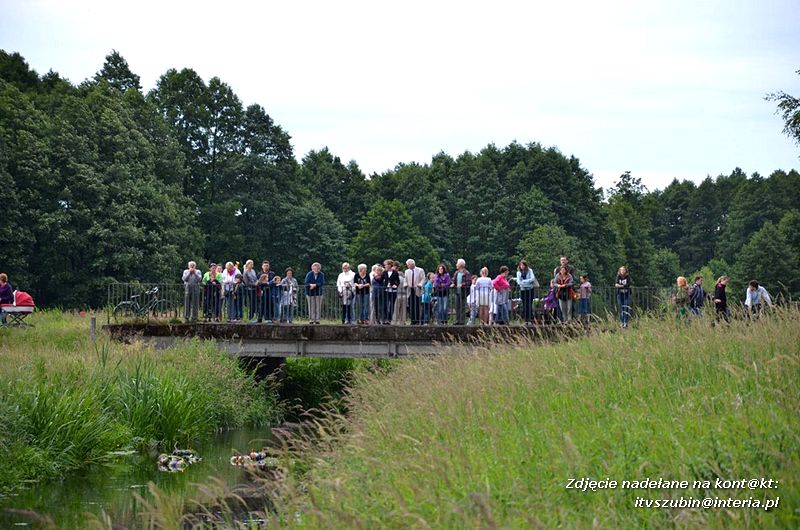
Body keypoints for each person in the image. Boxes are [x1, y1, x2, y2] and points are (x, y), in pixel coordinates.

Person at [516, 260, 538, 325]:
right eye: (521, 265)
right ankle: (526, 320)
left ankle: (530, 320)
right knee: (525, 305)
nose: (522, 266)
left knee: (529, 304)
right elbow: (518, 281)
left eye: (523, 265)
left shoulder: (530, 270)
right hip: (523, 290)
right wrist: (526, 282)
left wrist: (524, 281)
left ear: (525, 265)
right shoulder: (518, 272)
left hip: (530, 289)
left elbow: (532, 279)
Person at [450, 259, 471, 325]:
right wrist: (453, 283)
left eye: (457, 263)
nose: (456, 265)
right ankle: (457, 320)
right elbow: (454, 280)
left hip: (463, 292)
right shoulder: (456, 273)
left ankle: (461, 321)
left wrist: (462, 284)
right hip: (457, 292)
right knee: (457, 307)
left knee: (462, 307)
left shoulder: (466, 273)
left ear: (460, 265)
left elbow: (469, 282)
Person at [405, 259, 425, 325]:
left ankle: (417, 320)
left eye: (408, 265)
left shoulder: (420, 270)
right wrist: (406, 284)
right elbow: (406, 279)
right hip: (410, 290)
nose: (407, 266)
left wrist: (420, 284)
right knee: (411, 306)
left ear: (412, 264)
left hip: (417, 290)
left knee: (417, 306)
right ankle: (412, 320)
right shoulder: (407, 271)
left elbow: (423, 279)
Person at [382, 259, 399, 325]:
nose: (385, 266)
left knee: (392, 305)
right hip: (386, 290)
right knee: (385, 305)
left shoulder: (395, 272)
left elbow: (398, 281)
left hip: (393, 291)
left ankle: (389, 319)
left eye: (385, 265)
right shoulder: (385, 272)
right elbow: (382, 279)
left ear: (389, 265)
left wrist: (396, 285)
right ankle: (385, 318)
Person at [394, 261, 408, 325]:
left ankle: (395, 321)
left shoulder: (395, 277)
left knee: (396, 309)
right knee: (403, 310)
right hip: (404, 294)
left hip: (397, 294)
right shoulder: (404, 277)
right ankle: (402, 321)